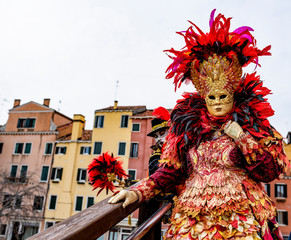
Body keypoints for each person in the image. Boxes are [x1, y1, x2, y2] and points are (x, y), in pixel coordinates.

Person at [109, 9, 289, 239]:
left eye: (223, 96)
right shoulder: (186, 127)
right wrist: (138, 192)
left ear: (233, 95)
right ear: (203, 98)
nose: (217, 102)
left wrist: (242, 138)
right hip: (193, 220)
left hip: (242, 219)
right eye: (211, 98)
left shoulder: (253, 123)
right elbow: (170, 171)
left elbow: (269, 171)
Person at [147, 107, 170, 176]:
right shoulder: (155, 156)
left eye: (162, 133)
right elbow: (158, 169)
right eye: (156, 137)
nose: (159, 139)